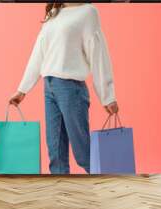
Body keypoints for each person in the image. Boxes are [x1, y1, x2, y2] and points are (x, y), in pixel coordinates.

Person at [9, 3, 118, 174]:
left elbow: (98, 54)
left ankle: (105, 189)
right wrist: (22, 89)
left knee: (83, 152)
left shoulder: (88, 12)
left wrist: (107, 96)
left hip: (71, 89)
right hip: (49, 87)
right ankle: (60, 194)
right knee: (55, 153)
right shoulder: (54, 13)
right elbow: (39, 53)